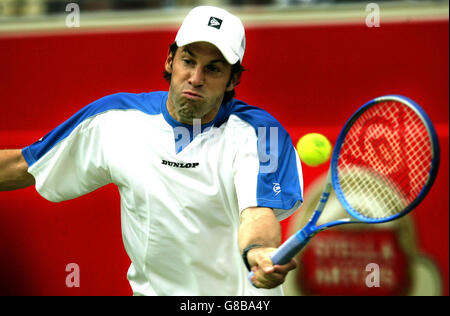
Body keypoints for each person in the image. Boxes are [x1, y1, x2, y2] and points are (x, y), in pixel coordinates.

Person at [0, 6, 303, 296]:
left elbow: (257, 214)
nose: (196, 79)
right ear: (170, 60)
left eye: (213, 69)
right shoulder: (114, 120)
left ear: (232, 80)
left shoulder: (262, 134)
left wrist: (259, 252)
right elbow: (20, 166)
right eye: (188, 61)